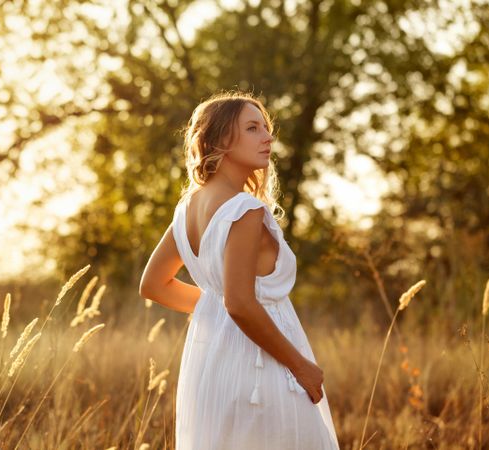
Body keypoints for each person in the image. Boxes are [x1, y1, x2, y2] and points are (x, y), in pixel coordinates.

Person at [139, 91, 339, 449]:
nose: (267, 137)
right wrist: (301, 366)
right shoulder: (243, 209)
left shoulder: (188, 207)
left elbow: (155, 285)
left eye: (265, 127)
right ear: (219, 141)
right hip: (262, 368)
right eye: (252, 128)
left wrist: (213, 310)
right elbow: (240, 303)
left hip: (212, 364)